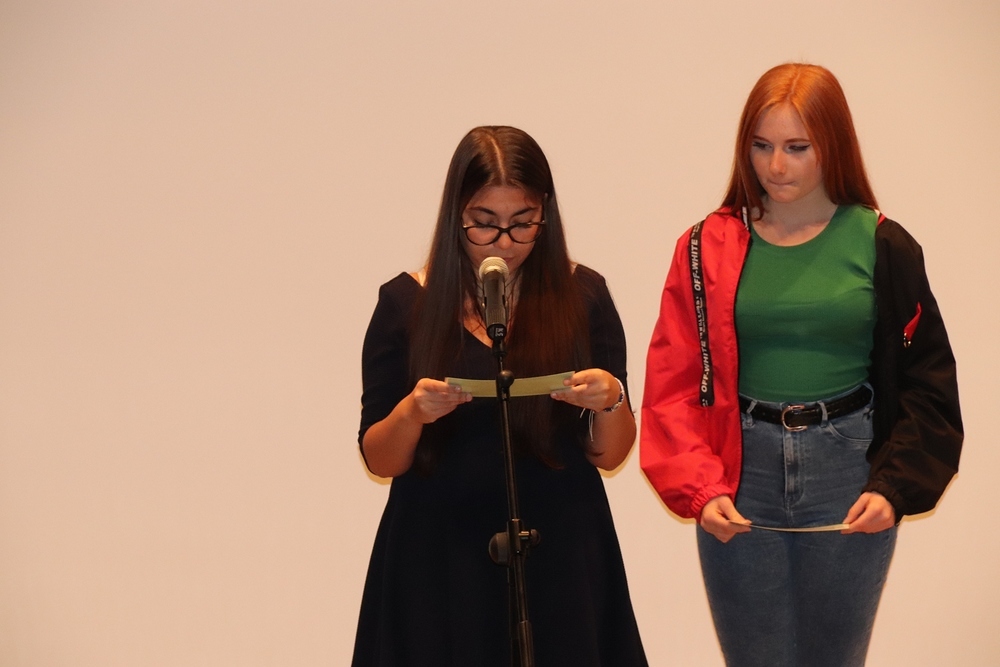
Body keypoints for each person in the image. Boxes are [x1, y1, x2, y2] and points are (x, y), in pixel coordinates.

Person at [640, 64, 963, 667]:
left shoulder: (883, 243)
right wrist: (700, 488)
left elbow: (928, 381)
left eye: (797, 147)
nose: (775, 167)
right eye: (760, 146)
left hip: (848, 471)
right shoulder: (703, 248)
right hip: (739, 473)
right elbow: (673, 380)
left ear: (832, 145)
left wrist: (894, 487)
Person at [353, 126, 648, 666]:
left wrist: (610, 400)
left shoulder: (584, 295)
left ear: (545, 215)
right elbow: (379, 458)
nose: (505, 243)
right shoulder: (404, 304)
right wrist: (412, 412)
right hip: (438, 555)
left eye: (523, 223)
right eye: (484, 224)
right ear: (456, 215)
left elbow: (611, 454)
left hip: (561, 546)